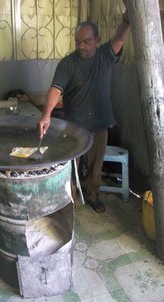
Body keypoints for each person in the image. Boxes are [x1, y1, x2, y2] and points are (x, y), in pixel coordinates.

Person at [38, 4, 130, 213]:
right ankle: (68, 201)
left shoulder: (105, 55)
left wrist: (127, 20)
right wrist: (46, 114)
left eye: (87, 42)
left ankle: (92, 195)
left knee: (95, 168)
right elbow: (55, 90)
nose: (81, 46)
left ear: (97, 41)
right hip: (74, 127)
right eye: (78, 42)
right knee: (71, 167)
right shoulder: (67, 64)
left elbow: (120, 37)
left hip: (100, 124)